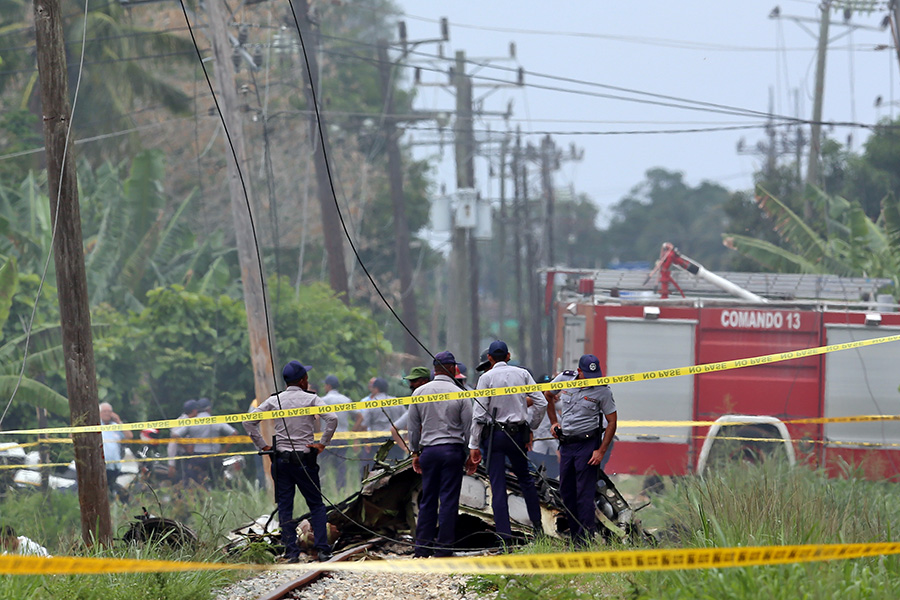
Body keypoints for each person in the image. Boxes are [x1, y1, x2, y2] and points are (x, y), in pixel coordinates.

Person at [244, 360, 337, 563]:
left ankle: (291, 553)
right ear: (303, 380)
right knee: (316, 505)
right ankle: (323, 550)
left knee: (286, 507)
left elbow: (248, 421)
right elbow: (332, 419)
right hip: (305, 460)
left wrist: (264, 446)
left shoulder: (275, 400)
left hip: (281, 461)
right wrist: (322, 444)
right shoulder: (312, 399)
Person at [467, 340, 547, 543]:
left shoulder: (486, 378)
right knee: (527, 481)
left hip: (495, 436)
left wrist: (474, 445)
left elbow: (478, 416)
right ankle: (538, 529)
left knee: (498, 485)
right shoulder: (522, 374)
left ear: (490, 359)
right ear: (508, 356)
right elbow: (542, 402)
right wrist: (531, 426)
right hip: (517, 435)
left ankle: (504, 537)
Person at [546, 354, 618, 546]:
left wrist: (601, 450)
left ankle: (585, 540)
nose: (591, 379)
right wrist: (554, 422)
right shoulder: (564, 379)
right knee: (566, 492)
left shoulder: (602, 391)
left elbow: (612, 421)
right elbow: (548, 395)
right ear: (579, 372)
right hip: (567, 444)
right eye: (587, 375)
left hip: (588, 446)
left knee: (584, 494)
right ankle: (575, 534)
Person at [408, 352, 472, 558]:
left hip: (429, 452)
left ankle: (422, 548)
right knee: (449, 500)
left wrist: (414, 452)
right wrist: (472, 452)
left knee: (428, 499)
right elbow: (468, 426)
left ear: (434, 369)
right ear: (453, 368)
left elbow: (413, 427)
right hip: (452, 452)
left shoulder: (419, 393)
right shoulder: (460, 393)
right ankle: (444, 549)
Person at [175, 397, 238, 486]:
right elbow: (234, 433)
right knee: (216, 482)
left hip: (197, 458)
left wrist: (186, 447)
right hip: (215, 458)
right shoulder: (216, 420)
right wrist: (224, 450)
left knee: (196, 483)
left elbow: (176, 436)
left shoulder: (192, 421)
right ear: (209, 409)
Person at [320, 375, 355, 491]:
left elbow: (315, 417)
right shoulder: (345, 400)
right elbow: (359, 416)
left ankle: (323, 489)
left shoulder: (322, 400)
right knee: (341, 465)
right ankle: (341, 489)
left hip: (326, 438)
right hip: (342, 437)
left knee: (323, 465)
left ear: (328, 386)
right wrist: (354, 430)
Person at [99, 402, 132, 497]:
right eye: (104, 411)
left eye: (109, 411)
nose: (107, 413)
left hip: (114, 466)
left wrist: (118, 420)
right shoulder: (95, 426)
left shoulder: (116, 426)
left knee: (113, 489)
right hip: (101, 465)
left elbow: (129, 436)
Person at [168, 399, 199, 481]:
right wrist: (171, 464)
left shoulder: (194, 421)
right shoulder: (180, 421)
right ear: (194, 411)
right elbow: (174, 439)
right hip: (182, 457)